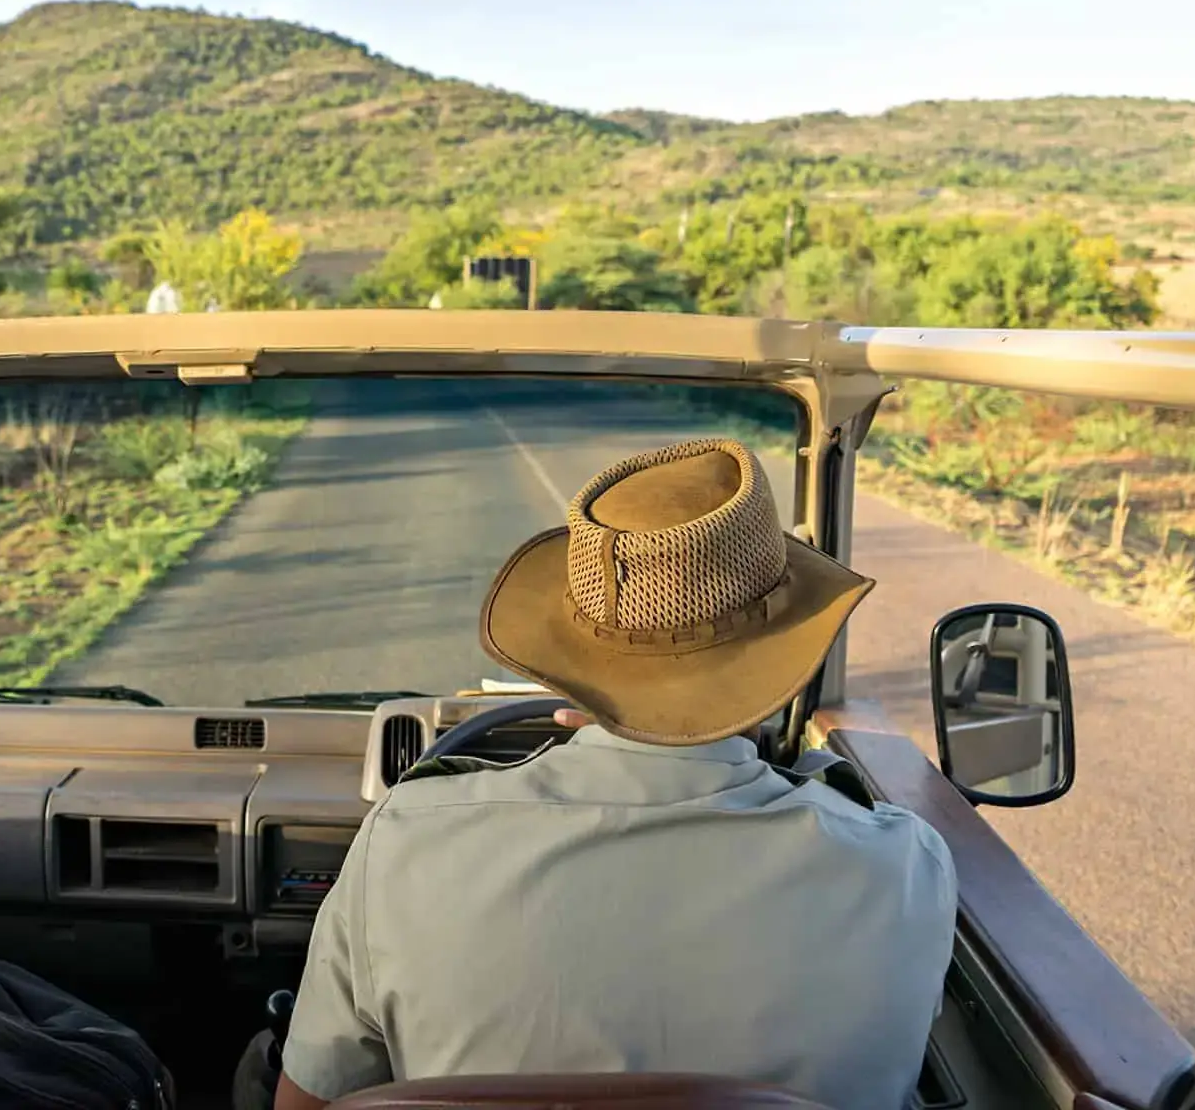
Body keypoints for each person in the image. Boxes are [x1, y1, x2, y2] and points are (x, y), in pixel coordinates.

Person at [274, 438, 957, 1110]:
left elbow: (307, 1099)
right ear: (779, 672)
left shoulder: (404, 844)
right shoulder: (901, 867)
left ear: (568, 671)